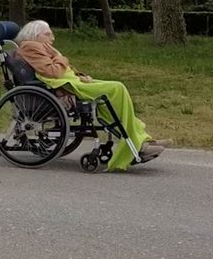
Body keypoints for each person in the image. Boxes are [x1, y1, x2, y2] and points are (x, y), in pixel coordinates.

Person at [14, 20, 168, 170]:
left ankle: (141, 138)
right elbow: (53, 72)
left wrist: (80, 75)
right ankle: (136, 143)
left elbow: (59, 70)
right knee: (117, 89)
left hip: (72, 82)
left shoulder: (39, 47)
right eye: (48, 34)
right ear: (35, 35)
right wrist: (60, 56)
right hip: (67, 87)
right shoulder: (30, 47)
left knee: (116, 92)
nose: (53, 38)